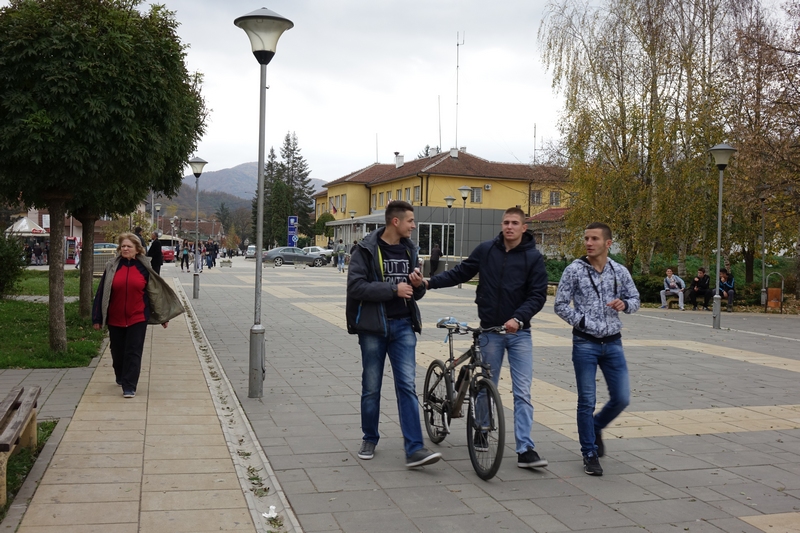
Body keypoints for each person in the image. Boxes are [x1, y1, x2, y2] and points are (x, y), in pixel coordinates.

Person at [425, 207, 549, 469]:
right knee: (483, 386)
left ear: (524, 227)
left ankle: (525, 449)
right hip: (491, 331)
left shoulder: (533, 258)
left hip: (519, 333)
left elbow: (537, 295)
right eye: (506, 222)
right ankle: (481, 429)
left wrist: (519, 318)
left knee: (523, 392)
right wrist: (429, 283)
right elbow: (460, 273)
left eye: (515, 223)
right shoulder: (486, 250)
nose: (510, 227)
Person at [346, 200, 440, 468]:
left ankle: (414, 449)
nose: (413, 226)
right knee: (371, 387)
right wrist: (393, 290)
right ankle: (369, 438)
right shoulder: (365, 249)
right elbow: (356, 287)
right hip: (374, 328)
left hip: (403, 326)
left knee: (407, 387)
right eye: (410, 221)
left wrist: (416, 285)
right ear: (395, 222)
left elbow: (415, 293)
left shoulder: (411, 250)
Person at [554, 222, 640, 476]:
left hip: (613, 342)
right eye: (586, 238)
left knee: (622, 397)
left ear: (608, 243)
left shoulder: (619, 271)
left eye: (594, 239)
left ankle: (596, 426)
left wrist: (624, 304)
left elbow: (636, 300)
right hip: (585, 343)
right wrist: (582, 321)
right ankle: (589, 453)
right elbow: (560, 305)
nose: (588, 243)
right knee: (586, 400)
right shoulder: (574, 270)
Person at [92, 232, 183, 398]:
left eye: (129, 246)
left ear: (137, 249)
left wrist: (163, 316)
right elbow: (102, 292)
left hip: (138, 317)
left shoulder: (145, 268)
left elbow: (154, 294)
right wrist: (97, 317)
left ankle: (129, 385)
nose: (125, 249)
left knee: (133, 351)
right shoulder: (112, 267)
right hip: (116, 317)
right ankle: (120, 375)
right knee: (117, 351)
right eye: (123, 246)